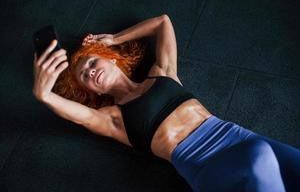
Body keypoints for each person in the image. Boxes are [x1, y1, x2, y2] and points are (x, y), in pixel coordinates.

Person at [32, 14, 300, 192]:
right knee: (259, 156)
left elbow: (163, 22)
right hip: (205, 166)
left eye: (92, 63)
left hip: (238, 137)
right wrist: (44, 94)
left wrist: (114, 39)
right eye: (84, 77)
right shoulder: (114, 118)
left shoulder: (163, 74)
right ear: (91, 90)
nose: (90, 72)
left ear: (110, 58)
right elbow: (81, 116)